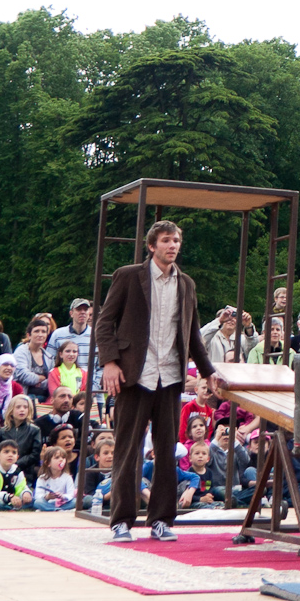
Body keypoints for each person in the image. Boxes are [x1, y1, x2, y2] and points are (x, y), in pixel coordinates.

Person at [95, 219, 216, 542]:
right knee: (127, 450)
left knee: (168, 451)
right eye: (165, 240)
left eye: (176, 240)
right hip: (134, 375)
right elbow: (104, 323)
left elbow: (192, 334)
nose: (172, 245)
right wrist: (109, 362)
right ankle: (122, 520)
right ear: (151, 246)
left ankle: (161, 519)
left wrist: (208, 372)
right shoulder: (128, 276)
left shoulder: (186, 284)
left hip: (171, 377)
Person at [0, 394, 41, 486]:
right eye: (18, 407)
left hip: (26, 473)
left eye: (25, 407)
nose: (22, 410)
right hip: (3, 472)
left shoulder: (35, 430)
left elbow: (35, 454)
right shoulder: (2, 431)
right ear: (11, 410)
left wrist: (16, 464)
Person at [0, 439, 32, 510]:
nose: (10, 455)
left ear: (17, 457)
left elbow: (22, 486)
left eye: (14, 452)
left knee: (33, 500)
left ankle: (12, 507)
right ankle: (11, 508)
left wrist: (25, 493)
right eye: (6, 452)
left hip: (15, 500)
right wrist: (9, 497)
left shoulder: (18, 471)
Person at [13, 317, 53, 402]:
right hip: (24, 397)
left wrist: (41, 383)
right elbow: (23, 375)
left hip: (45, 399)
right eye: (36, 331)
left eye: (43, 332)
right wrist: (40, 378)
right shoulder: (21, 351)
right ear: (29, 335)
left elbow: (52, 379)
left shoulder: (49, 357)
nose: (40, 334)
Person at [35, 445, 76, 511]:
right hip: (47, 503)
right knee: (37, 503)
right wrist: (47, 497)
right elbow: (38, 496)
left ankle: (53, 510)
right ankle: (56, 510)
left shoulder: (67, 477)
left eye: (63, 457)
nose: (61, 459)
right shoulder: (42, 478)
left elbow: (71, 494)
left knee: (75, 501)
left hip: (63, 503)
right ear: (48, 463)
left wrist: (62, 496)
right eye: (57, 458)